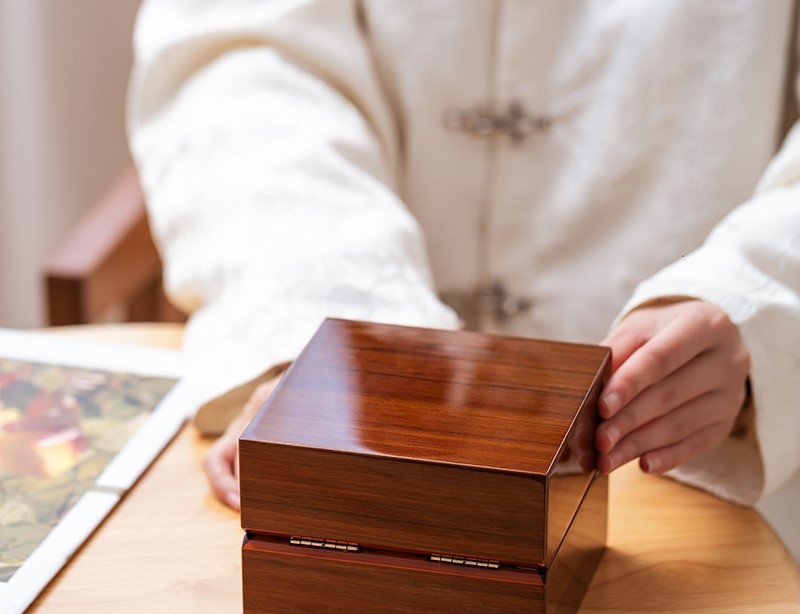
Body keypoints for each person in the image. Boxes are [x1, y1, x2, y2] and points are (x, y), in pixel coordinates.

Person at [127, 0, 800, 511]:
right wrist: (341, 328)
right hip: (349, 417)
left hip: (703, 460)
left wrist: (751, 296)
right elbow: (240, 60)